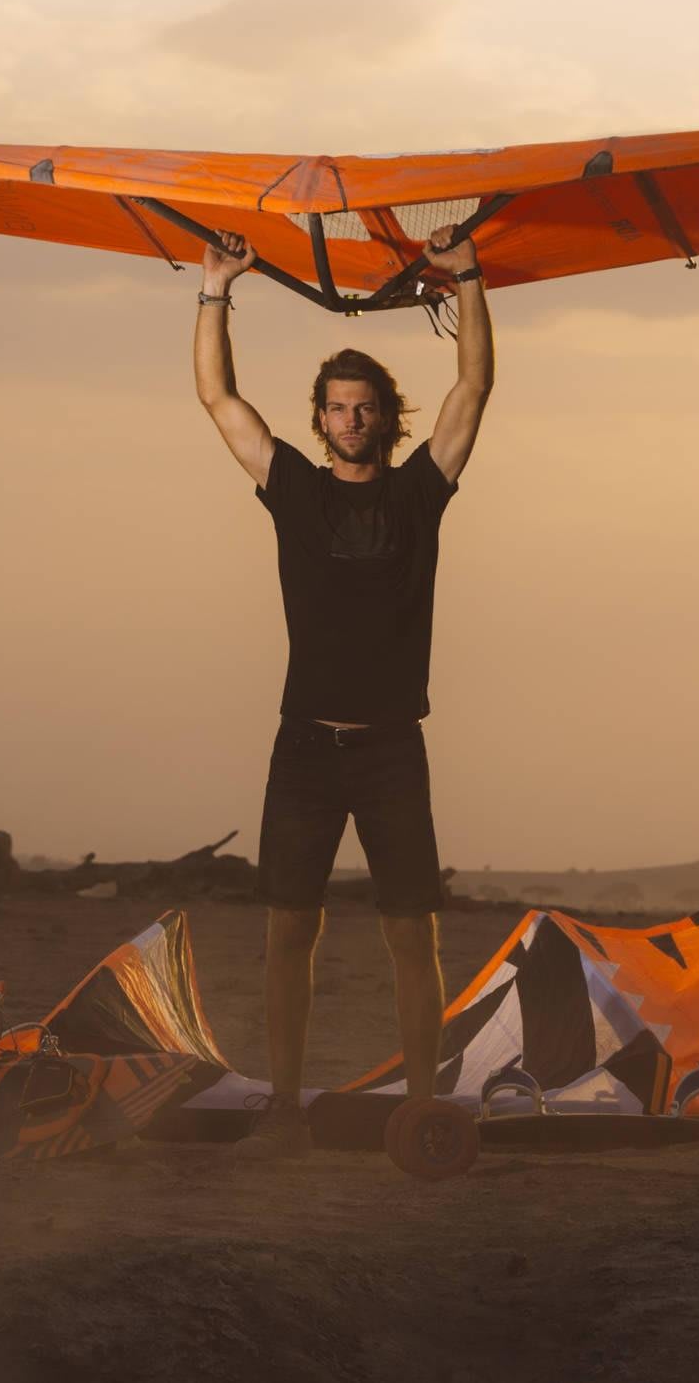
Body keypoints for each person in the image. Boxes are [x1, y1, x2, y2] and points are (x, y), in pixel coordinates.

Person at [192, 225, 492, 1151]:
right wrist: (215, 289)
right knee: (290, 930)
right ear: (319, 419)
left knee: (414, 937)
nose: (351, 420)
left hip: (394, 747)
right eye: (337, 408)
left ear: (386, 418)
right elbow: (216, 396)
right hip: (305, 749)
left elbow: (473, 386)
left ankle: (418, 1107)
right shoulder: (294, 488)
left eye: (365, 408)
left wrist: (469, 277)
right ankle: (285, 1106)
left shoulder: (418, 493)